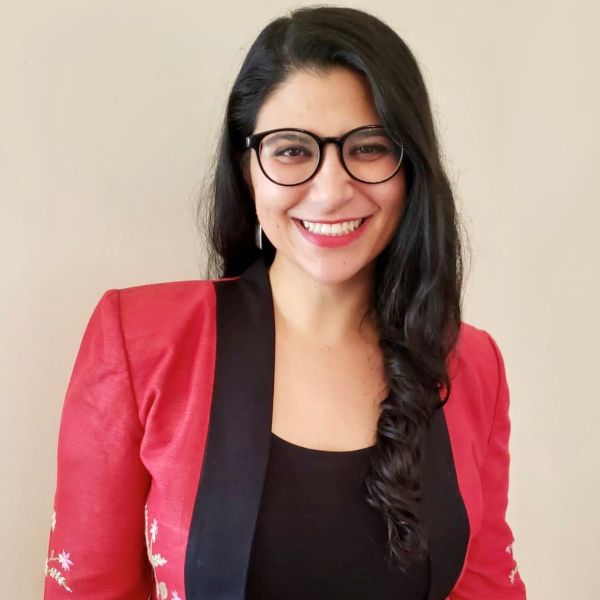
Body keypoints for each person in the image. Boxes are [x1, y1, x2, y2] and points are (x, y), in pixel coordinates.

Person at [44, 6, 526, 599]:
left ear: (412, 168)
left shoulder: (472, 366)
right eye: (293, 150)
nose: (330, 190)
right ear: (248, 168)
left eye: (370, 147)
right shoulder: (140, 341)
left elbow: (486, 588)